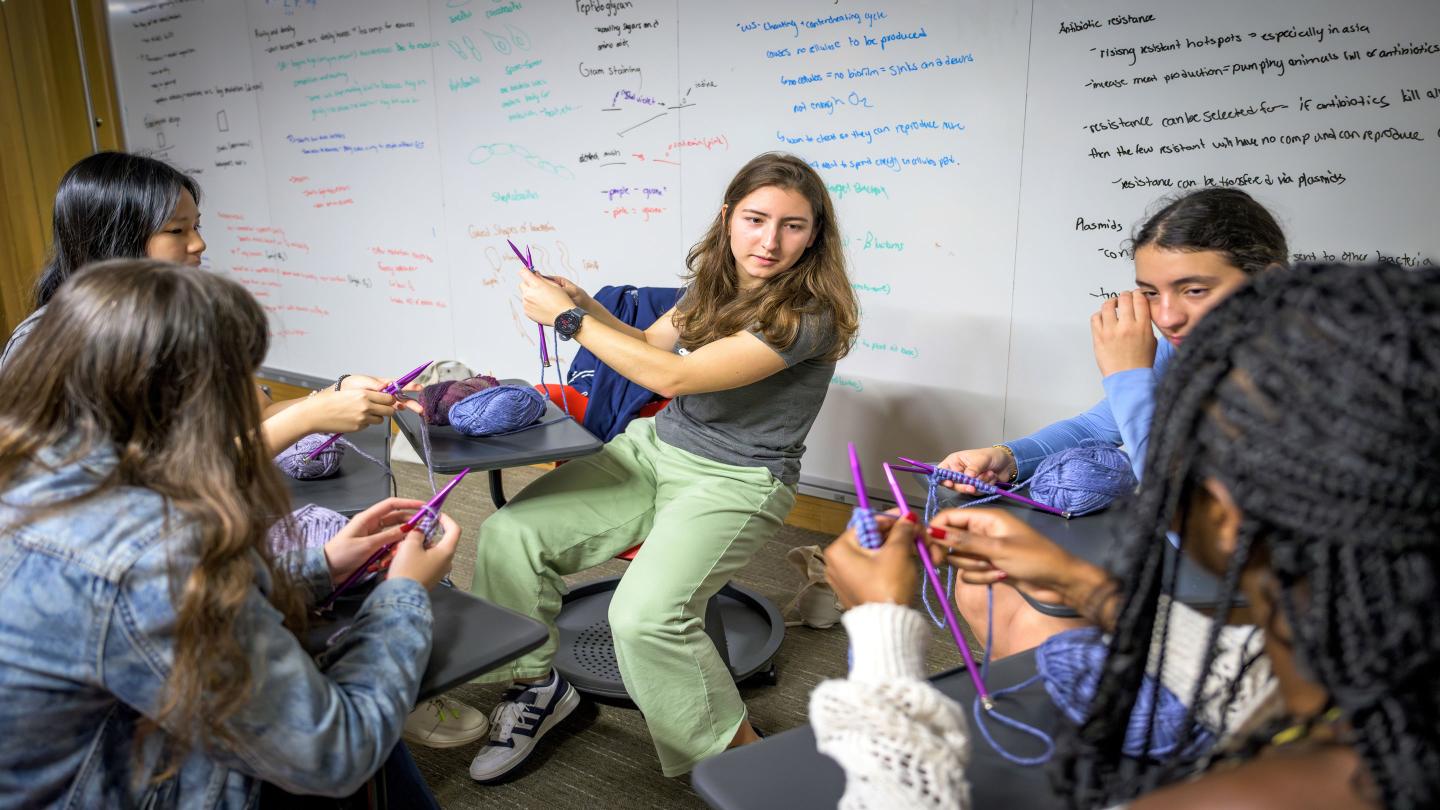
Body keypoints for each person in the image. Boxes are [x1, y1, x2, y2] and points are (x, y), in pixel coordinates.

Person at [819, 262, 1440, 809]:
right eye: (1149, 291)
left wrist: (880, 630)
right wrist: (1078, 582)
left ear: (1225, 513)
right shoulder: (1359, 666)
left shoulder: (1234, 796)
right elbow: (1238, 674)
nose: (1164, 315)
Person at [0, 260, 463, 807]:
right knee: (356, 726)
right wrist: (402, 595)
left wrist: (323, 565)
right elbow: (334, 753)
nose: (257, 394)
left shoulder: (43, 474)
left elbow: (116, 620)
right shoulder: (151, 556)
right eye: (244, 374)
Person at [460, 152, 859, 781]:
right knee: (511, 535)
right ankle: (537, 687)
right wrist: (585, 303)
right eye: (756, 219)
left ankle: (745, 764)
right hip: (658, 449)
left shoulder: (806, 314)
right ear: (729, 217)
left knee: (645, 617)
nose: (770, 240)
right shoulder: (719, 284)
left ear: (815, 235)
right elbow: (649, 346)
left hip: (739, 479)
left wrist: (567, 322)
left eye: (792, 226)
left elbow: (675, 375)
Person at [941, 188, 1289, 658]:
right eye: (1150, 293)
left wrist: (1128, 377)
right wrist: (1007, 458)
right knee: (979, 585)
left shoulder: (1303, 370)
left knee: (1043, 631)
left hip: (1257, 572)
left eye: (1195, 290)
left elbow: (1195, 510)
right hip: (1178, 541)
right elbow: (1100, 426)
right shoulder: (1184, 342)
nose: (1166, 317)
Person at [0, 151, 417, 457]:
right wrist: (307, 419)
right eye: (177, 230)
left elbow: (253, 411)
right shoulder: (49, 347)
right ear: (114, 242)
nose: (199, 244)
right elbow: (153, 485)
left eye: (196, 226)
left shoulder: (172, 318)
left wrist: (335, 394)